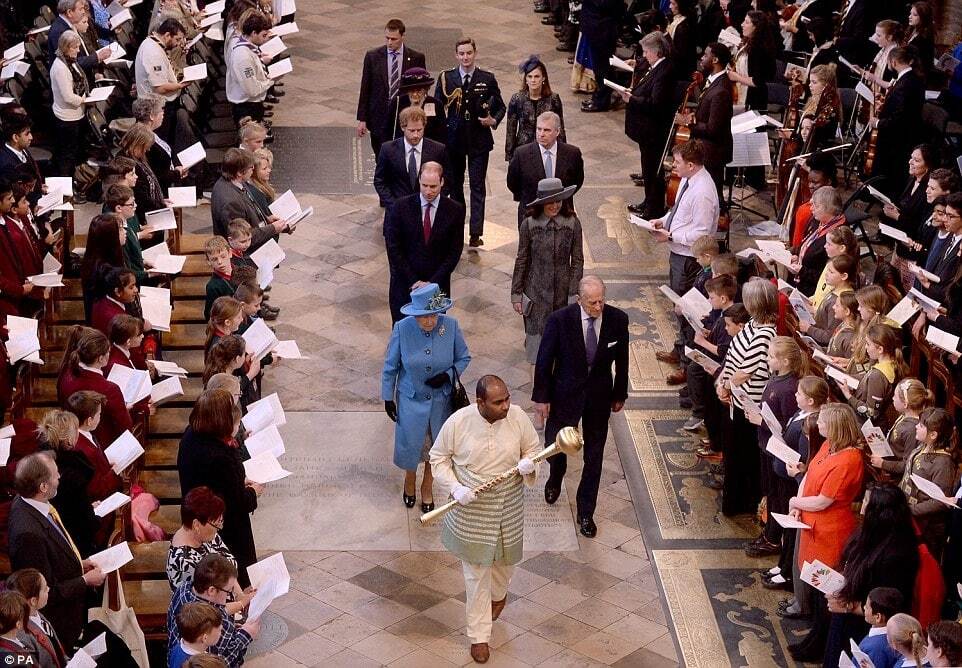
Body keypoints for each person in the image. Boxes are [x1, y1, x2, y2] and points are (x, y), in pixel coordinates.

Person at [429, 375, 541, 664]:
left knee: (503, 567)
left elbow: (533, 449)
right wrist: (455, 488)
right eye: (498, 402)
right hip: (473, 511)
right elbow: (438, 458)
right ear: (480, 402)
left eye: (507, 399)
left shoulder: (517, 418)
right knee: (476, 576)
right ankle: (479, 636)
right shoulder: (458, 422)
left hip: (507, 509)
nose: (506, 406)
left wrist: (530, 464)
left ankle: (499, 595)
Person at [533, 275, 629, 537]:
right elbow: (544, 360)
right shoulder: (559, 320)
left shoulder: (618, 320)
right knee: (555, 446)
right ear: (580, 300)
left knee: (594, 456)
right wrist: (542, 398)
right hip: (564, 394)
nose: (598, 307)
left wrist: (620, 392)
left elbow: (622, 359)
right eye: (592, 302)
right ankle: (556, 476)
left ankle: (586, 511)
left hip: (598, 397)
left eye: (601, 301)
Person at [804, 484, 920, 665]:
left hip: (863, 626)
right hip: (845, 613)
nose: (861, 506)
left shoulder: (898, 554)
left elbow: (888, 604)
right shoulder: (870, 532)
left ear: (878, 512)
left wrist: (848, 606)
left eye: (866, 502)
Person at [381, 283, 471, 512]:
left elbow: (464, 357)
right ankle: (410, 480)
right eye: (424, 317)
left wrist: (448, 375)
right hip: (411, 399)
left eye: (434, 315)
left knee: (436, 447)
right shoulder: (402, 328)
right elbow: (390, 366)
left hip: (441, 401)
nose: (430, 321)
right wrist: (387, 397)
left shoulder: (450, 326)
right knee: (413, 445)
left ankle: (427, 486)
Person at [7, 453, 106, 650]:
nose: (60, 477)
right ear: (43, 487)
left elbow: (55, 550)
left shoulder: (29, 501)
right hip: (61, 627)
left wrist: (79, 563)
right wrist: (84, 581)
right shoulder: (28, 535)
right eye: (55, 474)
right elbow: (44, 594)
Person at [647, 140, 720, 383]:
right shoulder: (688, 181)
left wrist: (670, 235)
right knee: (679, 306)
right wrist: (663, 220)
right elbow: (679, 211)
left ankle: (689, 365)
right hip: (678, 252)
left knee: (689, 312)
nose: (673, 166)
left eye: (677, 162)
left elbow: (700, 233)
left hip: (690, 259)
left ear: (690, 164)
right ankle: (680, 350)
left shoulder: (703, 193)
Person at [177, 389, 262, 587]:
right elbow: (236, 503)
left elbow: (218, 484)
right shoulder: (220, 455)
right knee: (231, 578)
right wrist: (253, 492)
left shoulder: (191, 435)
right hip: (223, 527)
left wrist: (237, 482)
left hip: (197, 514)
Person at [434, 38, 506, 247]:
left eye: (469, 53)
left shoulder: (487, 78)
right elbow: (438, 107)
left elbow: (500, 106)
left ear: (475, 53)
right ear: (456, 55)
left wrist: (493, 120)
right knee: (455, 187)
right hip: (454, 140)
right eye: (461, 54)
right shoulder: (447, 78)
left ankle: (475, 233)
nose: (465, 57)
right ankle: (457, 227)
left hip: (478, 141)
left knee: (477, 186)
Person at [511, 178, 584, 373]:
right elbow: (522, 260)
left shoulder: (572, 224)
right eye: (550, 201)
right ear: (541, 202)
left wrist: (574, 292)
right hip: (535, 295)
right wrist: (516, 294)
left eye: (558, 200)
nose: (555, 206)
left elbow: (577, 261)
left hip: (563, 294)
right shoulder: (529, 225)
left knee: (562, 349)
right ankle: (538, 396)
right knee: (537, 353)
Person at [383, 161, 465, 322]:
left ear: (442, 182)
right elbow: (393, 247)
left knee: (434, 333)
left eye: (433, 186)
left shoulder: (454, 210)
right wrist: (413, 280)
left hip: (436, 286)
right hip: (404, 284)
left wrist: (431, 283)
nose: (428, 191)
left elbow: (454, 251)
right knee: (404, 333)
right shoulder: (400, 207)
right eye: (424, 185)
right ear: (419, 181)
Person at [167, 553, 259, 668]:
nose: (230, 596)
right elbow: (222, 662)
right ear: (211, 590)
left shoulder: (185, 588)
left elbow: (220, 609)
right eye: (229, 591)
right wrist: (245, 635)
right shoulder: (209, 626)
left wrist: (242, 602)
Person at [35, 410, 102, 557]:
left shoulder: (39, 459)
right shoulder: (73, 474)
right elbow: (87, 523)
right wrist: (95, 516)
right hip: (72, 541)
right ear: (69, 440)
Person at [356, 19, 426, 157]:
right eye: (387, 38)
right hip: (379, 117)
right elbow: (365, 88)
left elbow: (422, 88)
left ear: (402, 37)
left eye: (393, 39)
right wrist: (362, 119)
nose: (389, 42)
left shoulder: (416, 57)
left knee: (403, 157)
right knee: (381, 157)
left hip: (405, 116)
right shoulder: (373, 57)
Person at [622, 31, 674, 218]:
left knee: (654, 171)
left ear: (657, 52)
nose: (644, 55)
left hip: (655, 131)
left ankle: (654, 209)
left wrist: (632, 99)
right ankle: (648, 202)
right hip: (647, 131)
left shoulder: (665, 71)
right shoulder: (655, 67)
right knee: (648, 169)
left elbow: (656, 103)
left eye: (646, 52)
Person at [56, 326, 133, 445]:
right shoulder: (110, 389)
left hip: (71, 440)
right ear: (100, 358)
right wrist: (125, 409)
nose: (110, 354)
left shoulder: (66, 374)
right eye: (108, 352)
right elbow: (126, 427)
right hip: (102, 446)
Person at [506, 111, 584, 225]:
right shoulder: (521, 154)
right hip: (531, 216)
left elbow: (577, 181)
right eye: (539, 129)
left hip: (562, 215)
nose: (541, 134)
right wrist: (527, 199)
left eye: (547, 130)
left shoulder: (572, 154)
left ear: (557, 131)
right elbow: (512, 183)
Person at [210, 149, 287, 252]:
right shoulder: (231, 202)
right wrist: (272, 228)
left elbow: (251, 205)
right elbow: (241, 236)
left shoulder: (234, 181)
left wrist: (265, 218)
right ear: (239, 173)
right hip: (247, 254)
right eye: (250, 167)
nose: (253, 169)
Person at [874, 47, 926, 196]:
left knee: (892, 174)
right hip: (906, 134)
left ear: (894, 62)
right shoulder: (912, 78)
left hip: (898, 139)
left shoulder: (905, 83)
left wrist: (877, 123)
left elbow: (899, 119)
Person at [373, 106, 447, 210]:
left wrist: (433, 202)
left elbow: (447, 180)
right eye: (412, 131)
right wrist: (393, 204)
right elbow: (379, 180)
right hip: (396, 212)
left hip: (427, 212)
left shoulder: (438, 150)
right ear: (403, 127)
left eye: (419, 130)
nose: (416, 135)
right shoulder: (388, 149)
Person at [134, 19, 189, 147]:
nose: (179, 43)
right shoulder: (153, 52)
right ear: (167, 35)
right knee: (160, 143)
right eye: (178, 39)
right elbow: (160, 88)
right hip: (156, 107)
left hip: (158, 104)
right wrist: (181, 85)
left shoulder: (152, 43)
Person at [504, 57, 565, 162]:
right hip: (523, 148)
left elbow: (560, 128)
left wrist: (563, 152)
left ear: (543, 78)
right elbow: (511, 130)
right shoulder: (517, 99)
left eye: (537, 76)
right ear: (526, 79)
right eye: (530, 76)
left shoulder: (553, 99)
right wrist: (510, 156)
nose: (533, 80)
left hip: (547, 147)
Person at [6, 568, 68, 668]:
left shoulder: (37, 614)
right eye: (44, 588)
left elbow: (57, 650)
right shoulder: (22, 636)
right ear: (33, 601)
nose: (49, 589)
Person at [49, 31, 88, 180]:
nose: (78, 50)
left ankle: (75, 181)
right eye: (75, 47)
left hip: (76, 114)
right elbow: (67, 97)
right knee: (66, 156)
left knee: (73, 153)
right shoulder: (59, 68)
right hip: (66, 118)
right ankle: (66, 186)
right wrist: (84, 100)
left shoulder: (71, 61)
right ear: (66, 48)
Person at [226, 13, 276, 125]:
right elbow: (252, 90)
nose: (265, 39)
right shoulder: (243, 57)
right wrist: (271, 81)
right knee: (249, 140)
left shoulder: (248, 49)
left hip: (251, 104)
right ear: (254, 33)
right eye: (263, 35)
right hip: (247, 107)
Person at [578, 0, 626, 113]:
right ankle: (601, 95)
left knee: (603, 67)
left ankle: (602, 101)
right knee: (599, 66)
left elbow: (607, 5)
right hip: (595, 26)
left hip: (603, 28)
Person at [388, 68, 447, 145]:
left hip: (429, 149)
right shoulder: (397, 103)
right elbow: (388, 131)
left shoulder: (436, 104)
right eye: (412, 91)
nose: (415, 94)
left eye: (419, 90)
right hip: (402, 149)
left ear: (425, 90)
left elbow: (442, 134)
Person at [47, 0, 110, 71]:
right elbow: (71, 63)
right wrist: (97, 57)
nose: (83, 12)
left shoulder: (70, 23)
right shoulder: (59, 32)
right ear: (69, 12)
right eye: (80, 9)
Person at [858, 587, 905, 668]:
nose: (864, 607)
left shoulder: (876, 648)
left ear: (878, 617)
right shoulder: (896, 636)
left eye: (867, 607)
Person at [168, 601, 223, 668]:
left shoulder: (179, 647)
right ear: (205, 638)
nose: (221, 631)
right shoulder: (199, 665)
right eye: (220, 630)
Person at [0, 117, 42, 189]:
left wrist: (39, 187)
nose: (31, 137)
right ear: (15, 137)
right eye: (27, 134)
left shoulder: (23, 149)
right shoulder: (5, 164)